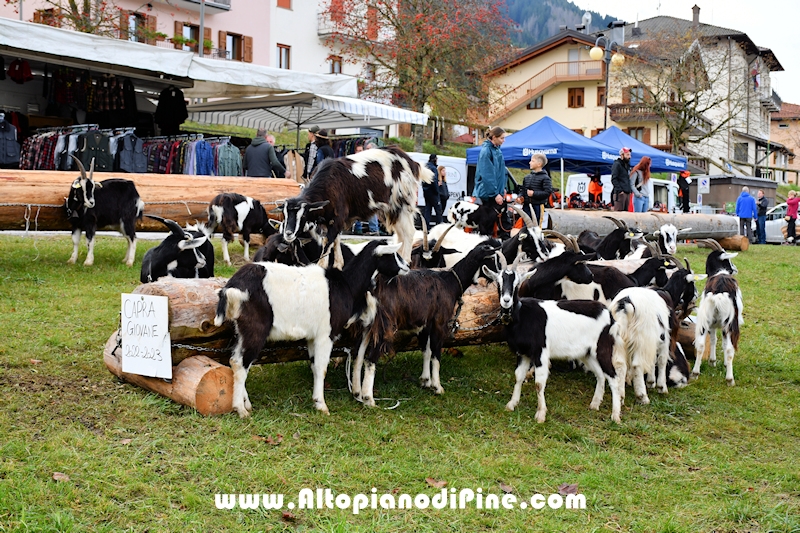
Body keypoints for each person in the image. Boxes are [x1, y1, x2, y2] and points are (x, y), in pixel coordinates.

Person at [472, 126, 507, 208]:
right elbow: (487, 175)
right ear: (494, 137)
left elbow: (500, 173)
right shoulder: (486, 151)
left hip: (494, 193)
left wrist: (502, 188)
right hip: (488, 194)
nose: (504, 140)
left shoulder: (497, 150)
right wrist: (495, 194)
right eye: (502, 138)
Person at [520, 153, 552, 224]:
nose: (529, 162)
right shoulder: (527, 177)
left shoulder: (545, 178)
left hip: (538, 206)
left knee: (536, 225)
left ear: (539, 164)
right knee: (526, 224)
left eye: (532, 161)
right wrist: (521, 197)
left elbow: (547, 192)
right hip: (527, 205)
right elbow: (523, 190)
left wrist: (534, 194)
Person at [422, 154, 443, 226]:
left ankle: (426, 226)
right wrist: (437, 191)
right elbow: (434, 181)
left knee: (428, 210)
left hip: (426, 192)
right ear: (435, 159)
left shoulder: (425, 167)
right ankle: (439, 226)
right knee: (438, 210)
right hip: (433, 193)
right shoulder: (433, 168)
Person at [610, 147, 633, 212]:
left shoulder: (627, 166)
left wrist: (629, 190)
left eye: (630, 155)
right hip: (620, 194)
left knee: (626, 214)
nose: (629, 157)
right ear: (622, 155)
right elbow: (614, 179)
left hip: (627, 192)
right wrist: (620, 190)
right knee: (618, 214)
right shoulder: (617, 164)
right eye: (627, 155)